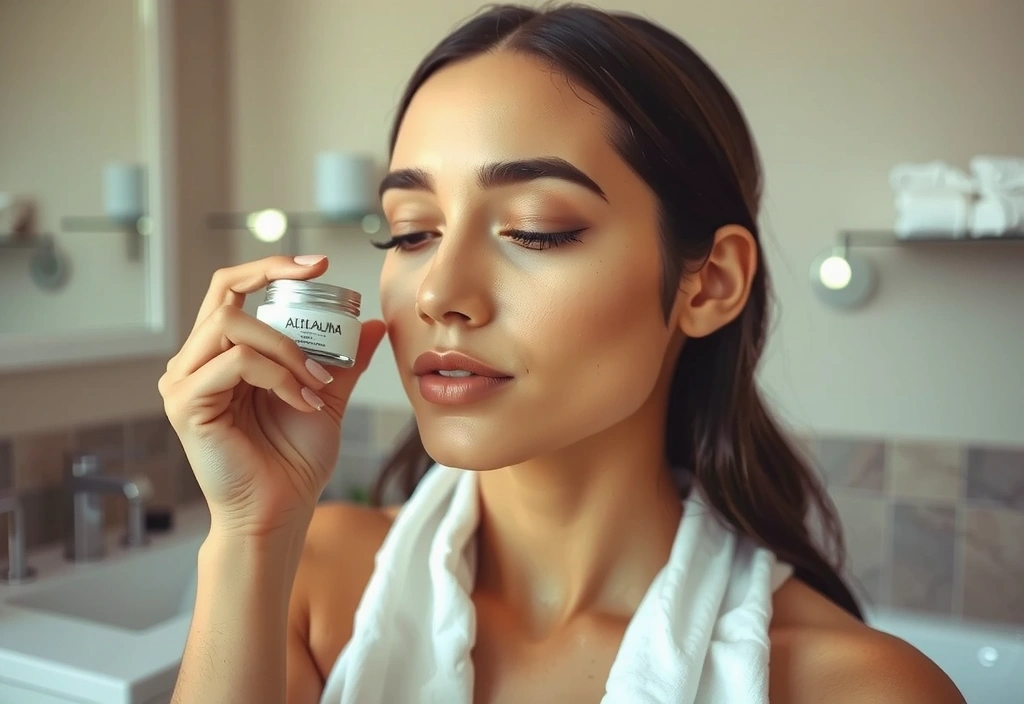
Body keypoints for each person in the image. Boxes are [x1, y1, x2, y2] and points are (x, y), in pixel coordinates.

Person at [162, 4, 964, 703]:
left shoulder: (861, 688)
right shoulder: (312, 582)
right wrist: (250, 533)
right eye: (411, 232)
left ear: (710, 283)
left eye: (536, 229)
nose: (439, 292)